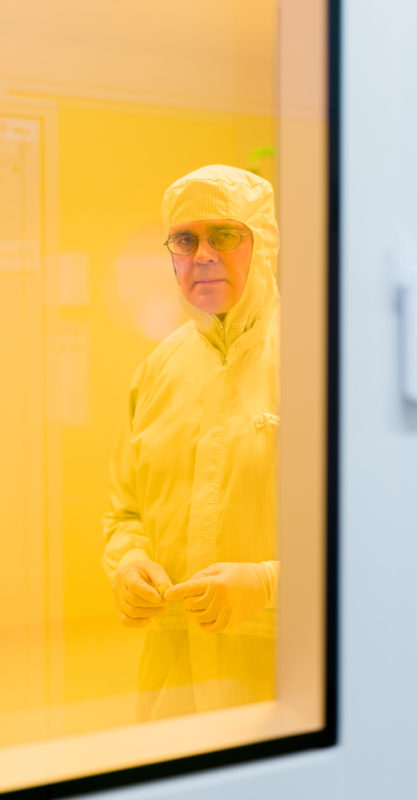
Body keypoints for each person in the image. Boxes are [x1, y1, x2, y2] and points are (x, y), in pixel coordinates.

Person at [102, 164, 280, 719]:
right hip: (174, 677)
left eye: (225, 235)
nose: (202, 254)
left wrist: (269, 583)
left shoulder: (317, 355)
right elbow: (125, 509)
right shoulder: (159, 367)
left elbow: (377, 534)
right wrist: (129, 562)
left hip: (284, 671)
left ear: (264, 245)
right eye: (185, 239)